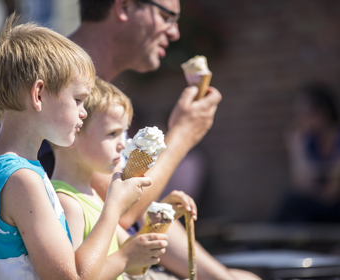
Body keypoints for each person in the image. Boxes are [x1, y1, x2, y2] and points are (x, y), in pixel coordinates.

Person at [40, 1, 260, 279]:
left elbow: (136, 212)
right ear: (125, 6)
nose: (175, 32)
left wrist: (219, 276)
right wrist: (182, 134)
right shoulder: (58, 91)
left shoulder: (99, 98)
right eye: (167, 16)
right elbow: (123, 209)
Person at [0, 13, 151, 280]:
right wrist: (114, 209)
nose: (83, 112)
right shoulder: (23, 180)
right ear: (38, 95)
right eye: (79, 99)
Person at [52, 77, 199, 279]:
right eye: (112, 133)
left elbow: (134, 266)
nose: (123, 144)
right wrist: (125, 259)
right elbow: (78, 276)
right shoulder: (66, 203)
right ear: (72, 133)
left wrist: (160, 217)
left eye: (124, 133)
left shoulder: (91, 195)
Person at [275, 82, 340, 223]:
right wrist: (297, 149)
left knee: (292, 203)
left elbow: (331, 194)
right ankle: (259, 243)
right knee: (295, 212)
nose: (301, 120)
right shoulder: (311, 142)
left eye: (305, 114)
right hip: (318, 208)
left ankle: (258, 243)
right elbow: (299, 185)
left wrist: (312, 184)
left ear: (323, 113)